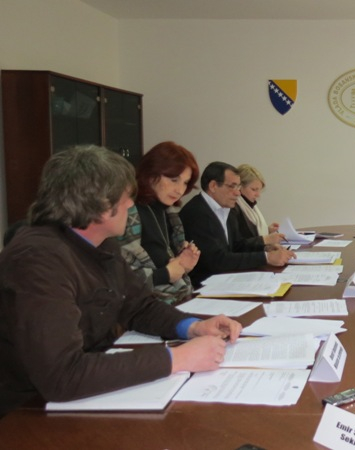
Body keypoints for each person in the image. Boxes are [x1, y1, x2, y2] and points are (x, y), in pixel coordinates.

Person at [0, 146, 242, 416]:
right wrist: (178, 358)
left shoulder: (101, 244)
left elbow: (138, 306)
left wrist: (193, 327)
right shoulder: (37, 261)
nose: (130, 205)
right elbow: (62, 374)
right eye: (126, 197)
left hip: (84, 392)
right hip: (26, 412)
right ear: (100, 204)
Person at [179, 162, 294, 285]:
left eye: (238, 187)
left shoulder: (224, 208)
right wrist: (266, 257)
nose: (238, 193)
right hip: (204, 286)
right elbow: (217, 260)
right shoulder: (196, 212)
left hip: (225, 279)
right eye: (232, 186)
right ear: (213, 186)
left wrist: (265, 248)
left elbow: (237, 245)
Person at [118, 141, 201, 304]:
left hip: (172, 301)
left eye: (185, 182)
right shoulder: (127, 212)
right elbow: (115, 279)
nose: (180, 190)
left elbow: (166, 263)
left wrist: (183, 264)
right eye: (174, 180)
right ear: (150, 173)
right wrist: (166, 274)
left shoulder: (169, 213)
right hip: (138, 309)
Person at [234, 164, 279, 240]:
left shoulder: (251, 205)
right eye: (254, 189)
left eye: (259, 190)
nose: (258, 195)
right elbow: (240, 243)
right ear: (240, 187)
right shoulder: (234, 209)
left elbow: (252, 234)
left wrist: (268, 230)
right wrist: (266, 240)